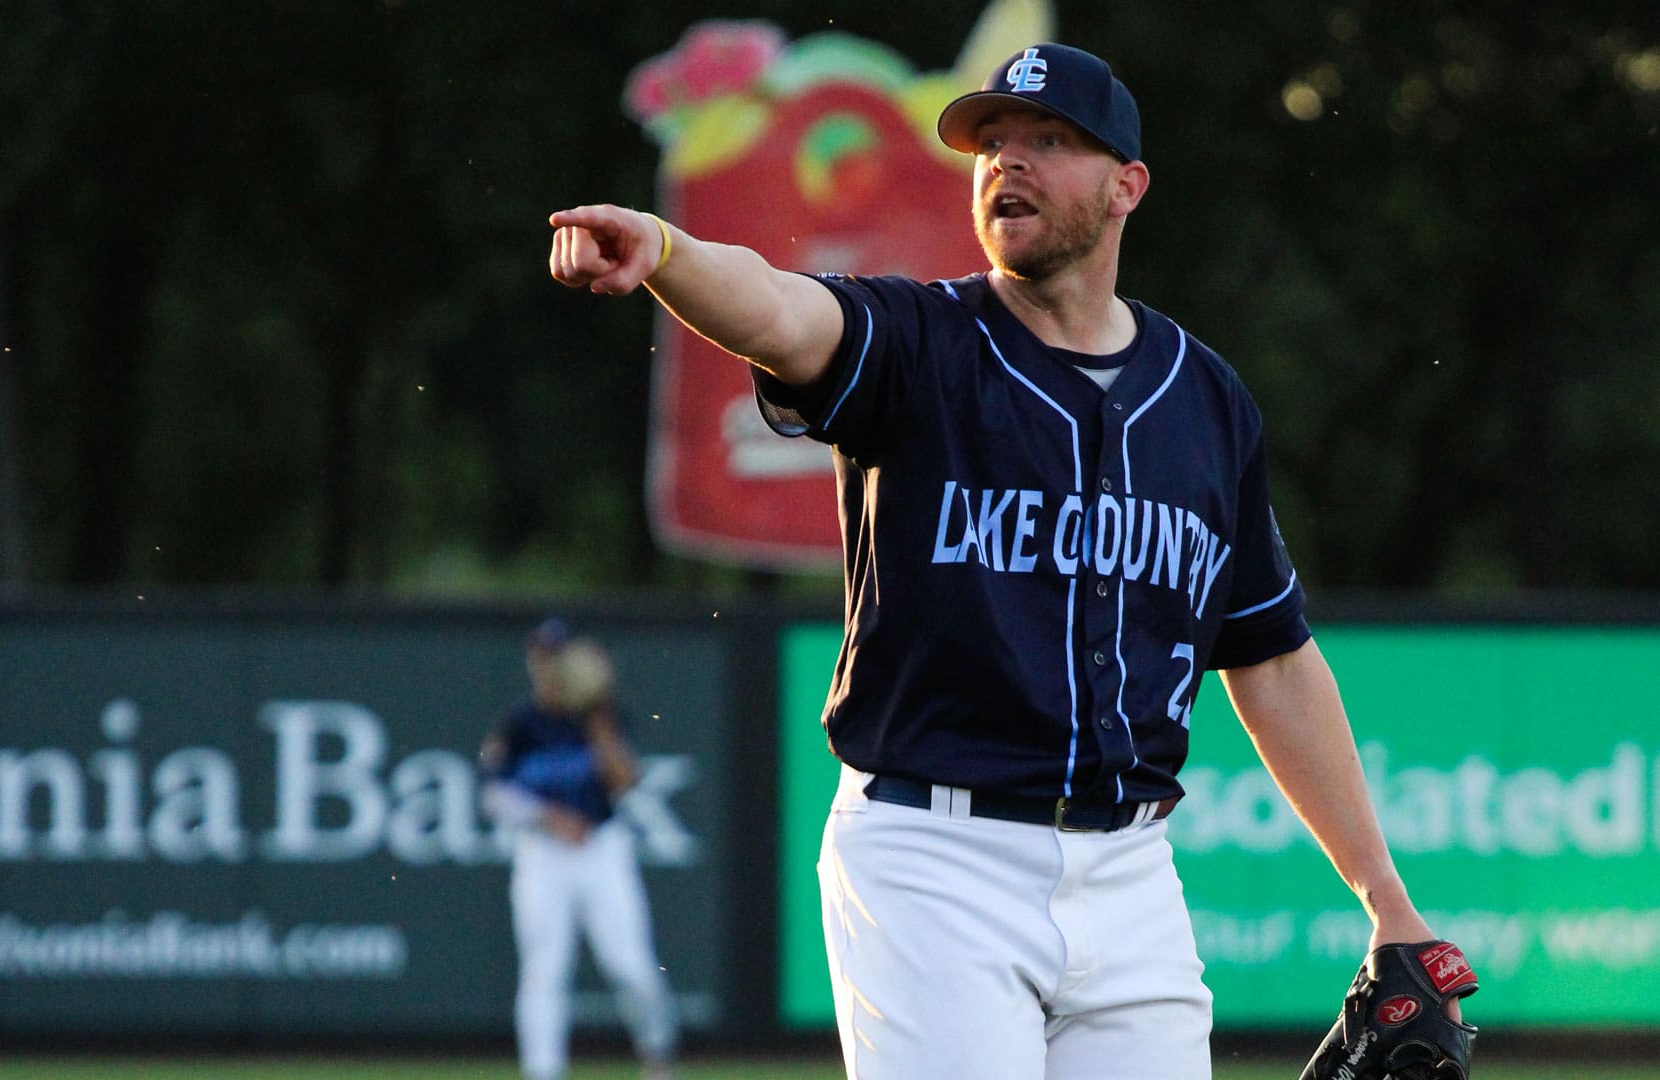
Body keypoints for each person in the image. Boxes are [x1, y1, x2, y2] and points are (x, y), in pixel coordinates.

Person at [549, 42, 1467, 1080]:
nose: (1006, 162)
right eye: (992, 143)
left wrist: (1387, 902)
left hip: (1129, 872)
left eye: (1047, 141)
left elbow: (1271, 655)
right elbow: (777, 308)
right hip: (933, 860)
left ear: (1128, 186)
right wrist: (667, 250)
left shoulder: (1204, 400)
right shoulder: (917, 342)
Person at [479, 617, 678, 1080]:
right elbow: (491, 794)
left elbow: (626, 782)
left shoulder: (601, 715)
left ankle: (658, 1055)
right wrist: (547, 817)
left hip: (603, 849)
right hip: (543, 853)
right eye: (541, 656)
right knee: (544, 969)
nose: (547, 666)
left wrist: (600, 726)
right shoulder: (521, 723)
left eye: (555, 655)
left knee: (631, 965)